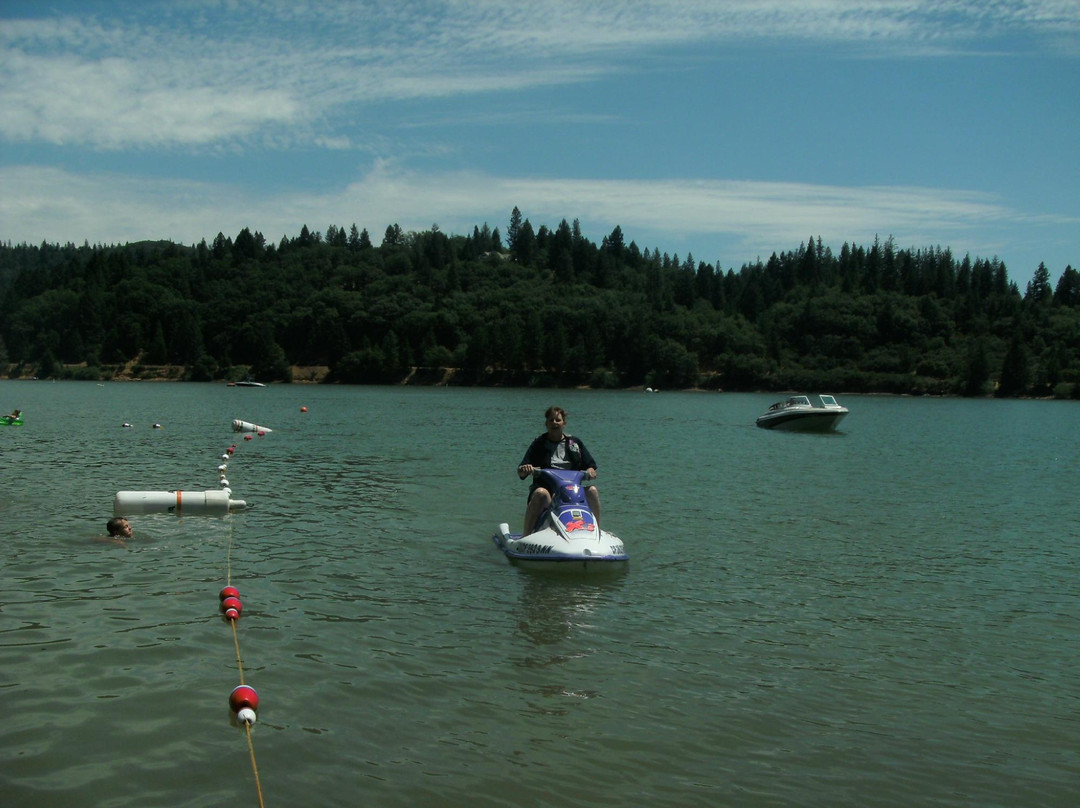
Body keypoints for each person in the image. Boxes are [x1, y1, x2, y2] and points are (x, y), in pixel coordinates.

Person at [517, 406, 601, 535]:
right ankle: (526, 536)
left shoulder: (575, 443)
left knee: (593, 491)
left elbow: (591, 466)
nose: (554, 423)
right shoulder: (539, 443)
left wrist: (590, 471)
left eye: (558, 420)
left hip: (572, 491)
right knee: (540, 493)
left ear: (564, 423)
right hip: (547, 489)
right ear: (546, 423)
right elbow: (521, 472)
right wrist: (526, 469)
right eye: (551, 420)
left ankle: (597, 532)